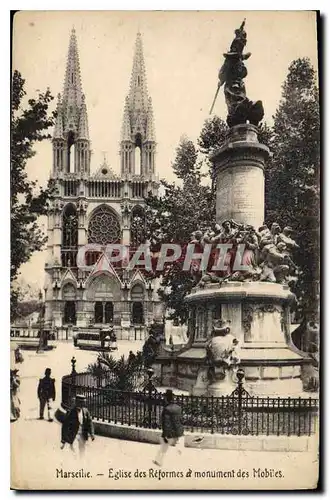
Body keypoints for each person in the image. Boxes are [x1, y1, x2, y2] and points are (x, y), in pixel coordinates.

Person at [153, 389, 184, 467]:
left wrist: (165, 435)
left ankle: (158, 461)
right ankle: (180, 459)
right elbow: (181, 420)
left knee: (164, 447)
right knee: (179, 446)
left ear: (166, 398)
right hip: (179, 431)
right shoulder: (178, 408)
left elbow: (165, 423)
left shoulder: (166, 409)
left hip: (170, 432)